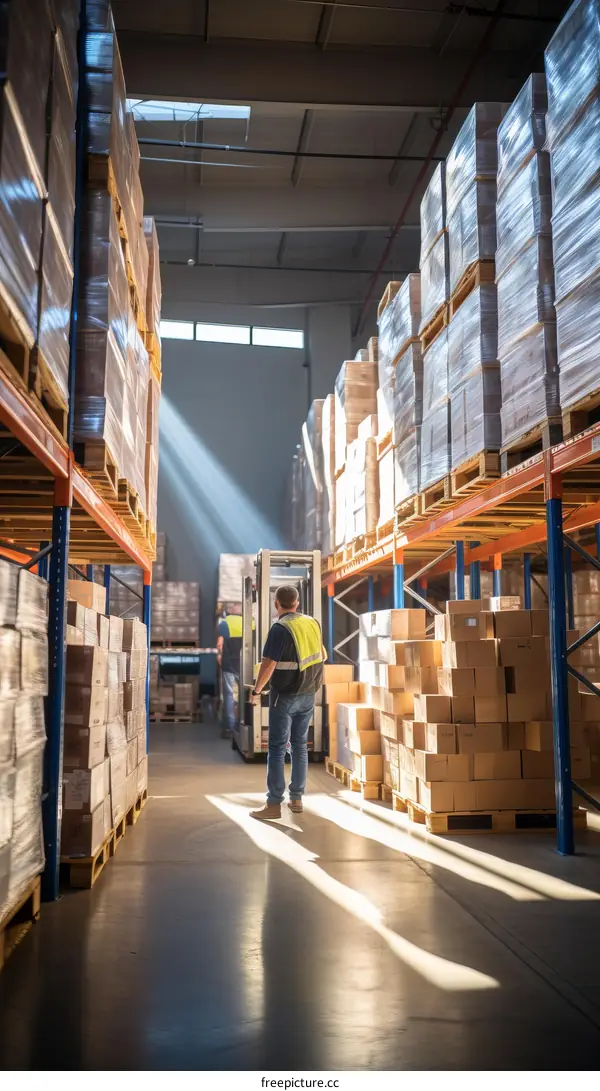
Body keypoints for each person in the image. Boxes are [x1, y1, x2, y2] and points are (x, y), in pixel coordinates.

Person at [249, 585, 326, 820]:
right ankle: (296, 798)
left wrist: (256, 691)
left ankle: (273, 804)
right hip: (308, 693)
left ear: (276, 604)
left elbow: (269, 664)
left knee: (277, 747)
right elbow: (323, 655)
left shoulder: (280, 628)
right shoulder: (312, 623)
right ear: (298, 602)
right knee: (300, 745)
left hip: (284, 696)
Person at [216, 610, 242, 738]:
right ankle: (242, 724)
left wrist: (219, 656)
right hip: (245, 665)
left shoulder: (225, 623)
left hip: (228, 664)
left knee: (229, 696)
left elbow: (220, 644)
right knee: (244, 695)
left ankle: (230, 728)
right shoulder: (250, 622)